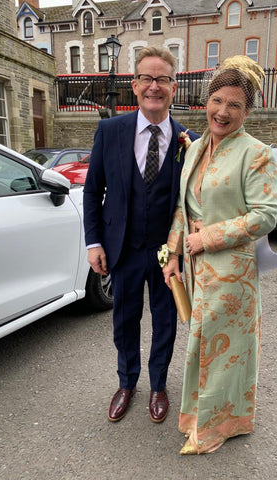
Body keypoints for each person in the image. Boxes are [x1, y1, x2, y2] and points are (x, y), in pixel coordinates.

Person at [163, 56, 277, 454]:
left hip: (233, 274)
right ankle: (202, 416)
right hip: (195, 269)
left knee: (226, 350)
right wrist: (174, 255)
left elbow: (265, 215)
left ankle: (215, 428)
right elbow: (183, 206)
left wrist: (207, 239)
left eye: (234, 105)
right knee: (201, 343)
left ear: (247, 111)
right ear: (206, 101)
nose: (223, 111)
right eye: (217, 100)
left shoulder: (257, 153)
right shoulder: (194, 148)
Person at [83, 46, 199, 424]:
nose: (154, 86)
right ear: (134, 86)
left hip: (168, 252)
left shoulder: (190, 141)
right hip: (123, 248)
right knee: (124, 320)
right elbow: (92, 190)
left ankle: (159, 385)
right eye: (147, 78)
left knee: (165, 322)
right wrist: (94, 242)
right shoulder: (110, 130)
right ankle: (126, 382)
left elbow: (196, 200)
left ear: (174, 87)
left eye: (162, 79)